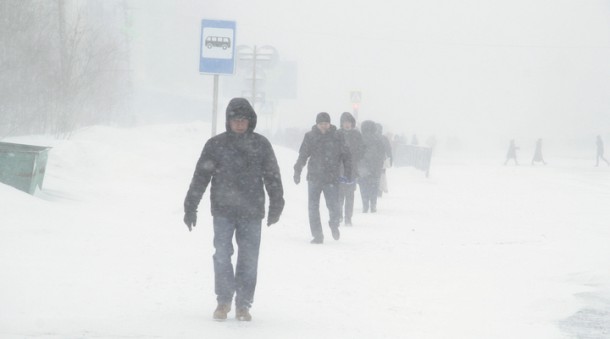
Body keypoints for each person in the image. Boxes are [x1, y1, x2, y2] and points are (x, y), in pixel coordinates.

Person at [183, 98, 285, 322]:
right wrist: (191, 204)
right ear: (228, 121)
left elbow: (272, 175)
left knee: (249, 258)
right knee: (221, 255)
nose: (240, 124)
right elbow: (201, 176)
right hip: (223, 210)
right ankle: (223, 300)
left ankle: (243, 305)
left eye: (244, 120)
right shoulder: (215, 145)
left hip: (252, 210)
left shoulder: (261, 145)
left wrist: (277, 202)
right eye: (235, 120)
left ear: (250, 121)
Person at [294, 112, 352, 244]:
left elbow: (346, 156)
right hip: (314, 177)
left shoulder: (338, 136)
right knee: (313, 207)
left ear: (330, 124)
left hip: (331, 177)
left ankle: (334, 224)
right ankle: (317, 235)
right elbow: (303, 155)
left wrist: (348, 172)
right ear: (317, 124)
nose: (324, 126)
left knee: (334, 206)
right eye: (321, 124)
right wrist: (297, 170)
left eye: (326, 124)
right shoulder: (310, 136)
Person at [337, 112, 363, 226]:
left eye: (349, 122)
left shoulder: (356, 135)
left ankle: (348, 218)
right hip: (339, 169)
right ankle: (338, 216)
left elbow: (361, 150)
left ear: (352, 123)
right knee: (339, 194)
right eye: (344, 122)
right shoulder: (336, 134)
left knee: (350, 195)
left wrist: (355, 157)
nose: (347, 125)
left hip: (352, 169)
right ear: (341, 123)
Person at [358, 120, 386, 213]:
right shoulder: (378, 139)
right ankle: (373, 205)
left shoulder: (360, 138)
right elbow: (382, 153)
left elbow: (356, 152)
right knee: (374, 187)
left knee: (364, 186)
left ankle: (365, 205)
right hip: (375, 166)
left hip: (363, 166)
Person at [376, 123, 392, 198]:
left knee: (374, 176)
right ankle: (380, 191)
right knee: (382, 176)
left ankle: (374, 189)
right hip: (382, 161)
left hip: (372, 162)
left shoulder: (372, 138)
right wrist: (391, 159)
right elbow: (388, 150)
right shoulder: (384, 138)